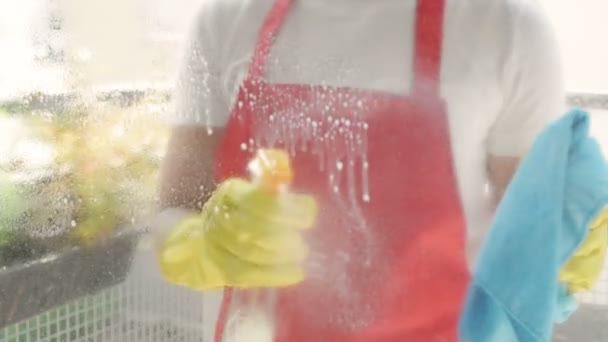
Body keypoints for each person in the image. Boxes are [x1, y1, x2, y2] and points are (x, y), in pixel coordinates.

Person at [156, 0, 565, 341]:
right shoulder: (224, 21)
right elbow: (176, 205)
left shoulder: (508, 30)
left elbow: (535, 242)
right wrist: (198, 246)